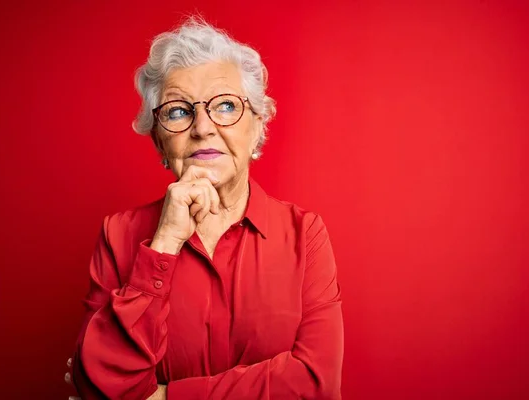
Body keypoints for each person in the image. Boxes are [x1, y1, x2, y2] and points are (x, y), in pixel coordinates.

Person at [66, 17, 343, 400]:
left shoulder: (304, 234)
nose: (203, 127)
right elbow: (98, 386)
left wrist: (165, 396)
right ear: (160, 143)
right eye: (178, 111)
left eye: (225, 106)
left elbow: (316, 383)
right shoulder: (119, 234)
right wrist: (164, 241)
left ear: (257, 126)